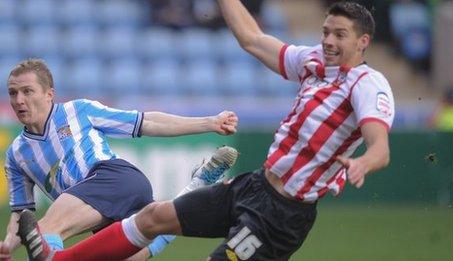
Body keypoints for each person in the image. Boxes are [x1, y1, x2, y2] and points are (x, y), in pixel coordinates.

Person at [17, 1, 395, 260]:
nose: (328, 41)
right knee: (152, 219)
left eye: (339, 35)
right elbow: (252, 39)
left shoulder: (367, 84)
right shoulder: (313, 63)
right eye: (326, 31)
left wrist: (364, 163)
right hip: (255, 186)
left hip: (282, 215)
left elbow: (380, 146)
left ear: (363, 42)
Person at [0, 59, 239, 260]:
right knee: (145, 241)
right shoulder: (16, 154)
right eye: (13, 93)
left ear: (49, 94)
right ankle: (199, 182)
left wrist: (209, 123)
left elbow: (147, 122)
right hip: (98, 214)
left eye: (27, 91)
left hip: (115, 178)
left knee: (48, 231)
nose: (19, 100)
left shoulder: (78, 111)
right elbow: (21, 214)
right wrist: (8, 245)